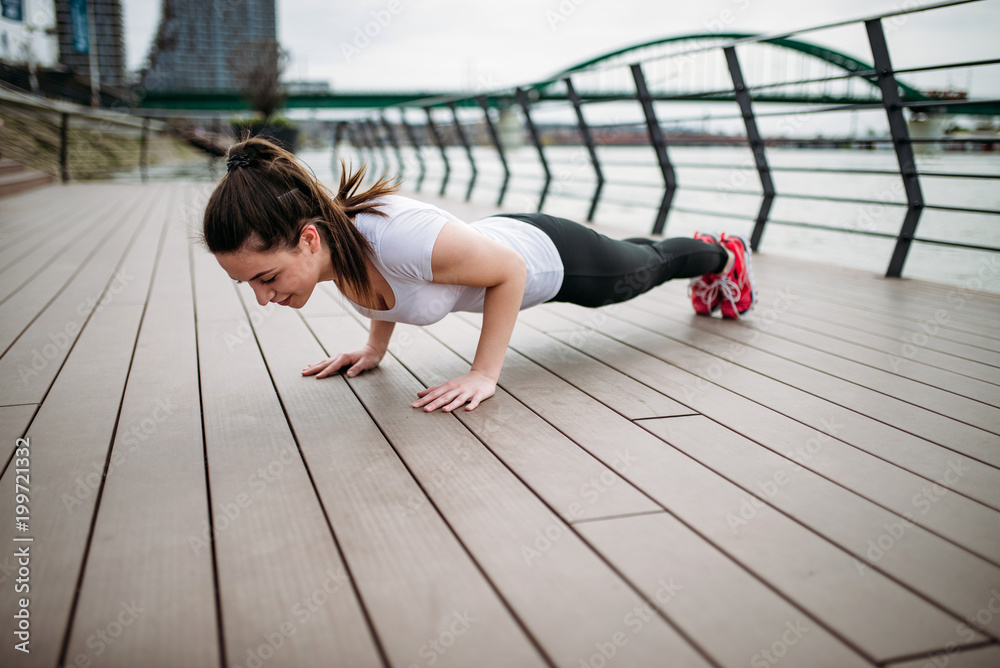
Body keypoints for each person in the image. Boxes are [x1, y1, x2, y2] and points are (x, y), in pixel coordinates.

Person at [201, 137, 756, 413]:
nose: (264, 298)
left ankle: (722, 252)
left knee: (649, 268)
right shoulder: (333, 251)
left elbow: (510, 271)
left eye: (266, 278)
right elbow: (382, 289)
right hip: (503, 238)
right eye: (249, 284)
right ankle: (700, 253)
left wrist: (484, 376)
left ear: (308, 239)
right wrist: (374, 350)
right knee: (638, 253)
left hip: (552, 258)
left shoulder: (397, 235)